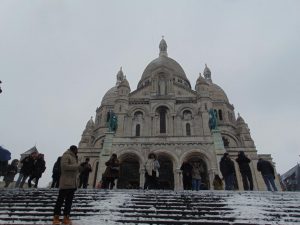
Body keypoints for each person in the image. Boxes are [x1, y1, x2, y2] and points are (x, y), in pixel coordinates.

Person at [53, 145, 81, 225]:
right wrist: (77, 166)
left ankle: (66, 218)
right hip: (66, 182)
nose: (77, 151)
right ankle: (56, 217)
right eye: (77, 150)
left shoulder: (74, 157)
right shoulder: (66, 155)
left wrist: (80, 168)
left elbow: (74, 169)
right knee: (60, 201)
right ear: (74, 150)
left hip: (72, 183)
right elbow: (64, 166)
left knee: (69, 202)